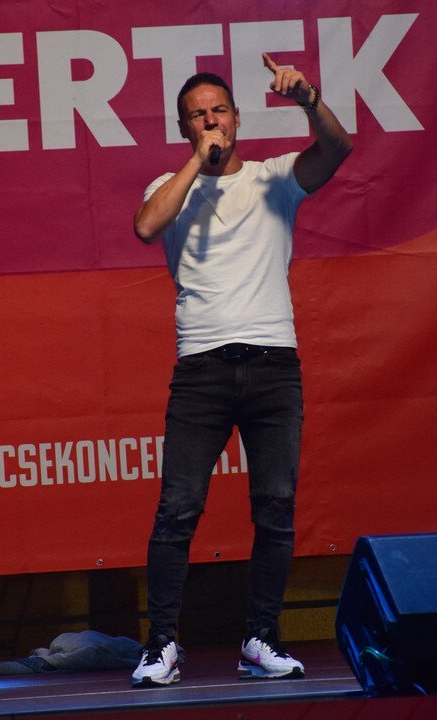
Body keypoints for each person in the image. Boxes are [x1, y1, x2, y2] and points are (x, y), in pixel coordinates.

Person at [131, 53, 352, 688]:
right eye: (197, 116)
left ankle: (261, 638)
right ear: (184, 129)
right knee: (178, 509)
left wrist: (309, 98)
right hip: (200, 369)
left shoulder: (273, 178)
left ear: (238, 118)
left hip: (273, 365)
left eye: (219, 111)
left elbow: (338, 149)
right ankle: (161, 644)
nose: (211, 122)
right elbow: (146, 227)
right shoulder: (167, 187)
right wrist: (198, 162)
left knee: (276, 507)